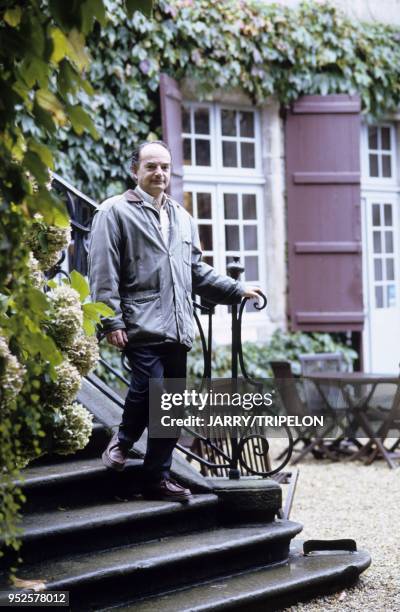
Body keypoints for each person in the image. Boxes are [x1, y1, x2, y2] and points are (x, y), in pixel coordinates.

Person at [88, 140, 263, 501]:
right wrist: (111, 320)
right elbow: (103, 271)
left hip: (179, 324)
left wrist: (236, 289)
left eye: (165, 167)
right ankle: (121, 443)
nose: (159, 173)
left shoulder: (182, 217)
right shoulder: (113, 212)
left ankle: (156, 477)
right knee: (147, 387)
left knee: (171, 404)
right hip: (140, 321)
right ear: (134, 170)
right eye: (151, 166)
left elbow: (196, 271)